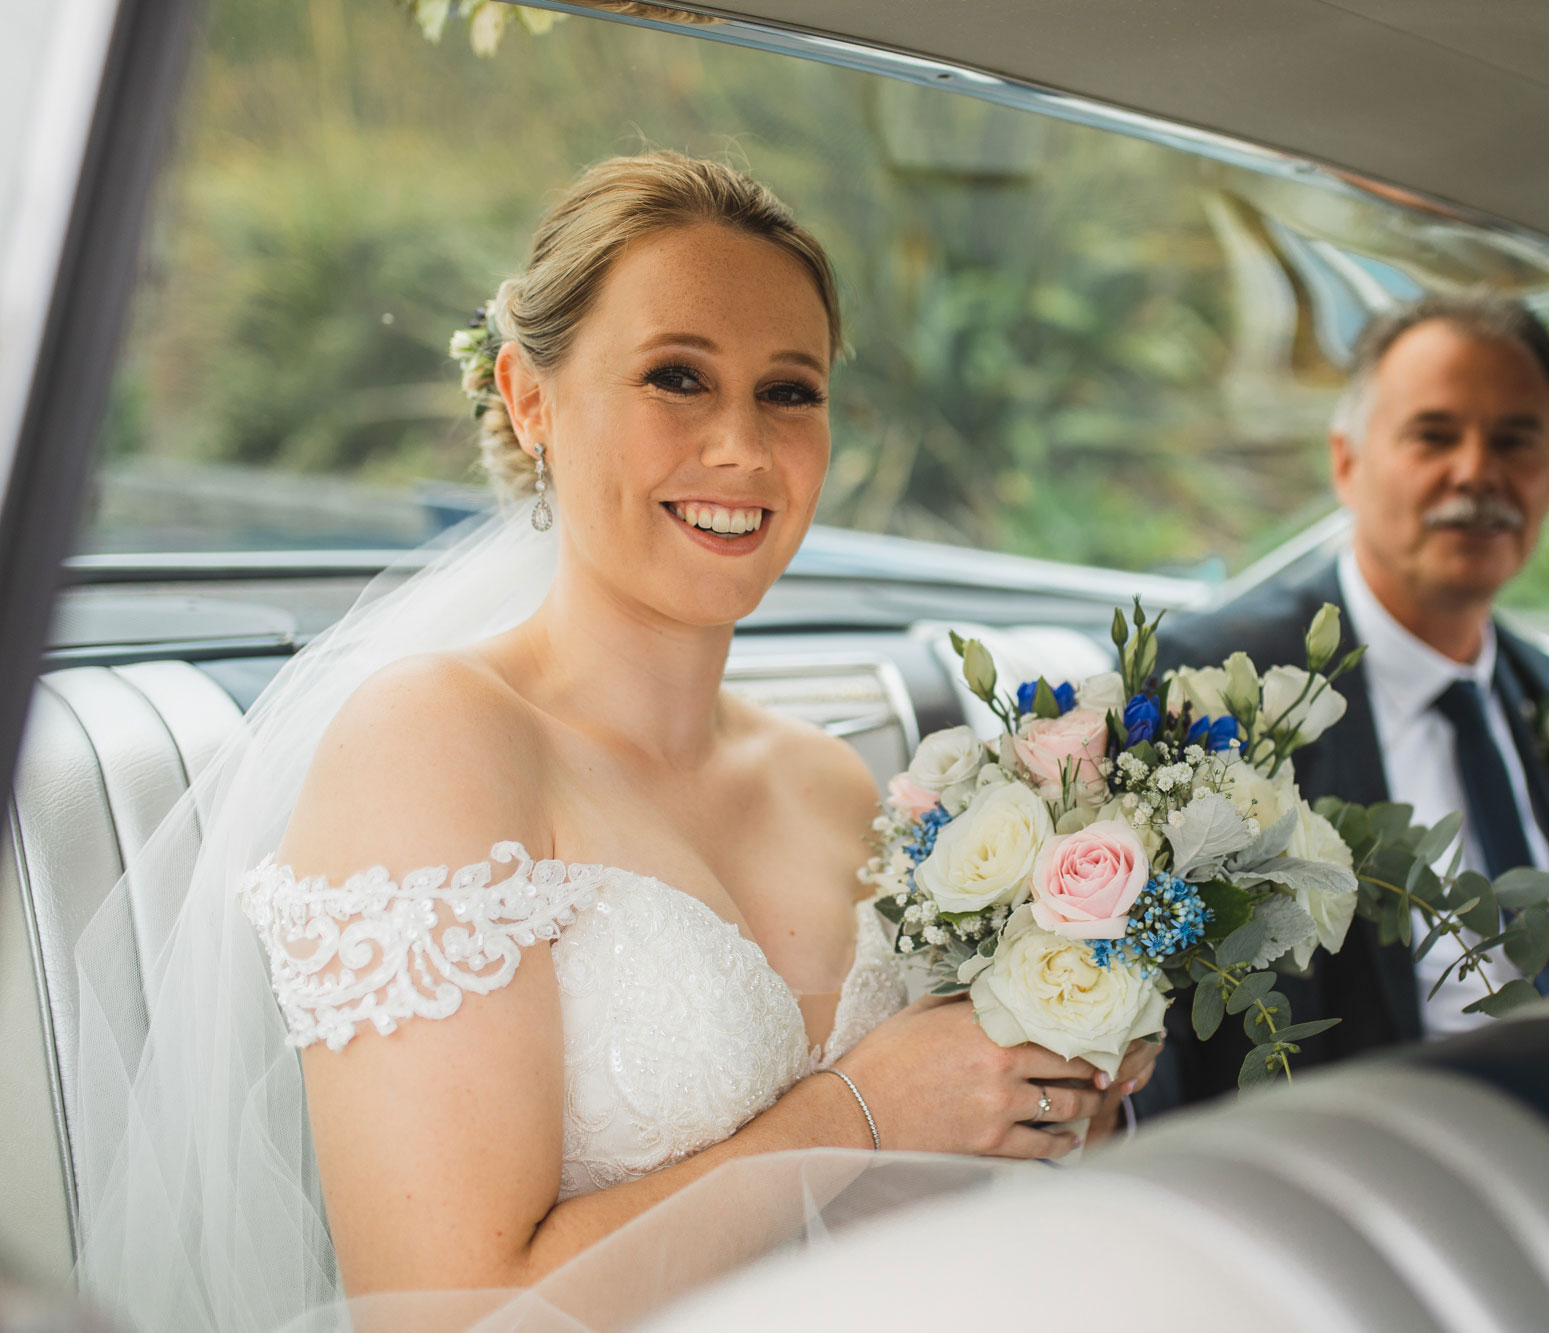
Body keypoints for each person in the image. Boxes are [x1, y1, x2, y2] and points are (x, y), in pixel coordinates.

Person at [72, 151, 1154, 1333]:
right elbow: (449, 1316)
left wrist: (1035, 1103)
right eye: (676, 377)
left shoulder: (830, 781)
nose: (743, 448)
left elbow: (887, 1209)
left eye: (789, 391)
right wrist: (857, 1110)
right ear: (530, 400)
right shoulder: (432, 744)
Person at [1144, 292, 1549, 1109]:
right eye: (1434, 435)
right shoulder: (1225, 687)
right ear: (1347, 463)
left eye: (1515, 441)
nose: (1476, 472)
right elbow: (1170, 1024)